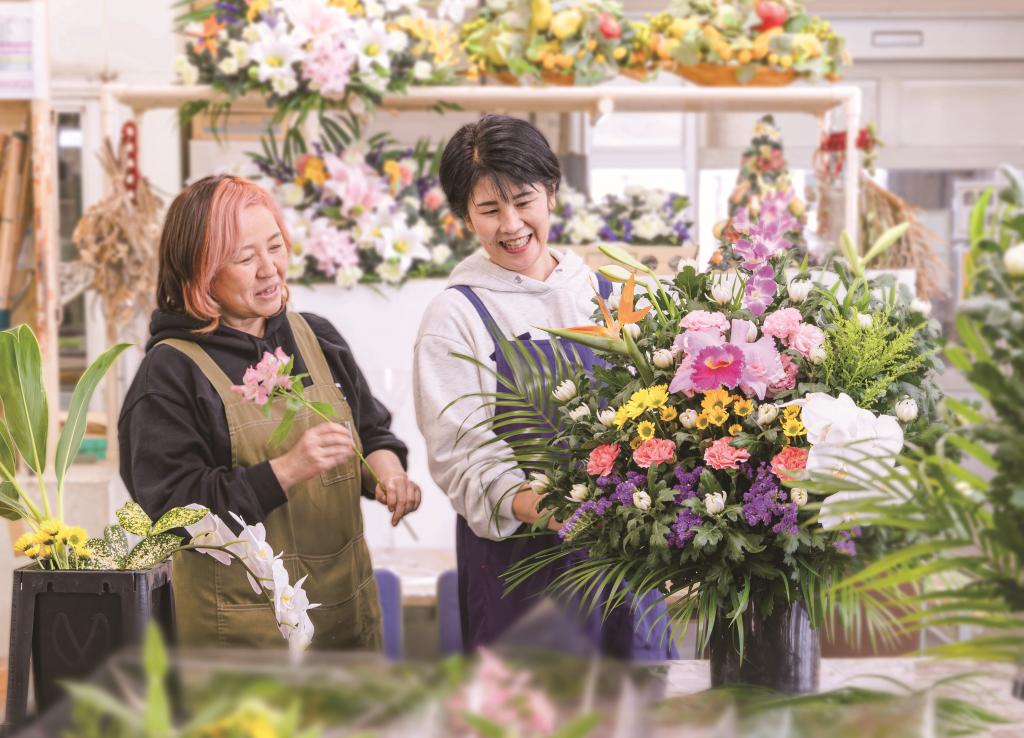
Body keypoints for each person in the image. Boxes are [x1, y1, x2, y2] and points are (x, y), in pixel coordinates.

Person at [119, 175, 421, 650]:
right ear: (199, 271)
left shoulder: (316, 336)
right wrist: (287, 470)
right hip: (245, 639)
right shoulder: (169, 374)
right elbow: (172, 517)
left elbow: (371, 431)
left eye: (275, 246)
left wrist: (388, 476)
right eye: (245, 258)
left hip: (345, 622)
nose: (270, 269)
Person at [413, 115, 674, 657]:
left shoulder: (608, 295)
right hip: (522, 573)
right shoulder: (456, 315)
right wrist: (556, 509)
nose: (511, 224)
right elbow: (461, 456)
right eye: (489, 209)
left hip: (626, 566)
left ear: (552, 194)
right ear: (465, 217)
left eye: (524, 200)